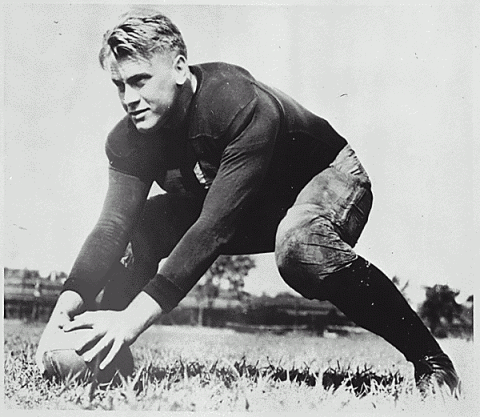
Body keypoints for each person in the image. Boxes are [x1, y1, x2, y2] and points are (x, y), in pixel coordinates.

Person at [36, 10, 460, 396]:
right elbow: (112, 226)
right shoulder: (128, 139)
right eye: (119, 84)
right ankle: (106, 360)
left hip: (322, 178)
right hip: (246, 203)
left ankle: (432, 362)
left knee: (300, 247)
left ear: (180, 68)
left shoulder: (236, 101)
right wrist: (65, 307)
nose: (129, 98)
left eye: (141, 80)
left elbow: (214, 227)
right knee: (136, 230)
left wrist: (131, 320)